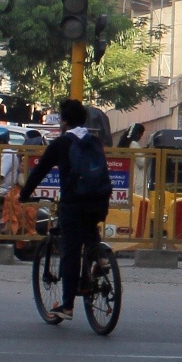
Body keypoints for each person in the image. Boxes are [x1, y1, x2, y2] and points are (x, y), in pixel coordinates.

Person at [19, 99, 112, 322]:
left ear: (65, 120)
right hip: (100, 201)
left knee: (70, 252)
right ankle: (100, 258)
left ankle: (68, 306)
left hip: (74, 204)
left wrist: (24, 195)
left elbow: (39, 171)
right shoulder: (95, 142)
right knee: (89, 228)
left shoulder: (61, 144)